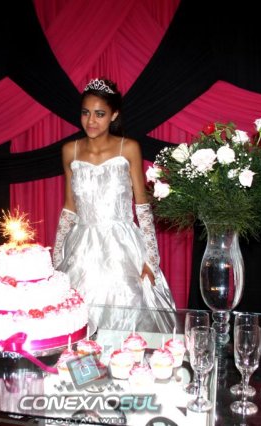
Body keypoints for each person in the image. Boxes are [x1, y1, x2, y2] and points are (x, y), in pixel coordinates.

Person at [53, 77, 176, 333]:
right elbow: (69, 207)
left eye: (99, 114)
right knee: (75, 317)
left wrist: (151, 261)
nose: (91, 121)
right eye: (86, 113)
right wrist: (57, 258)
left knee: (129, 311)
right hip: (81, 248)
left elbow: (142, 206)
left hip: (123, 247)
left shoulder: (128, 148)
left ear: (114, 115)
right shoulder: (69, 151)